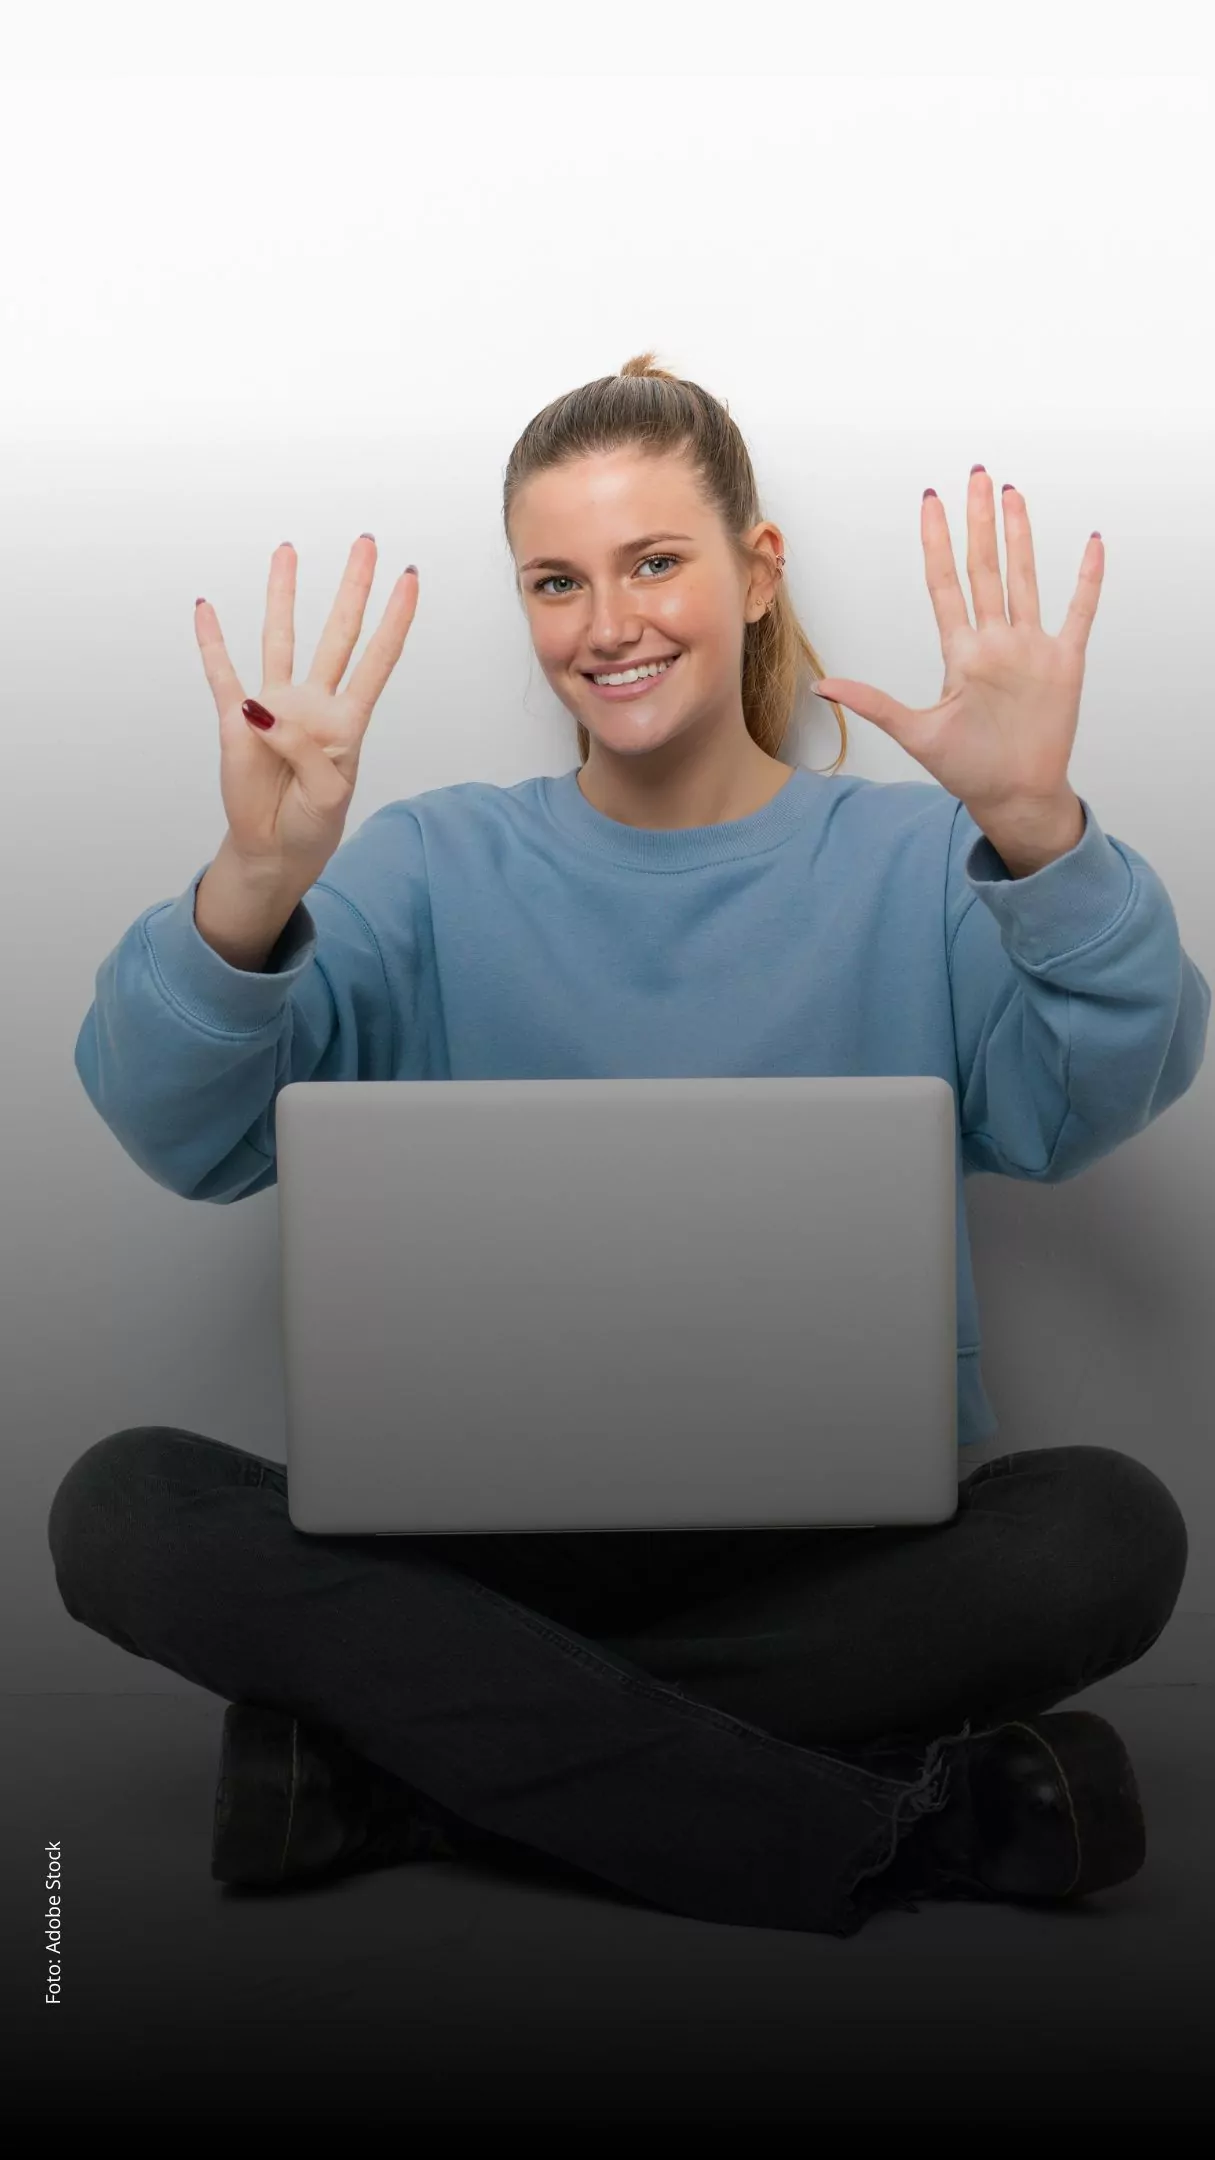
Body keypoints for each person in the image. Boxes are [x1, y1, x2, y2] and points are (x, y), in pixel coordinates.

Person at [48, 354, 1207, 1938]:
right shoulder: (430, 862)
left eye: (653, 561)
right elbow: (175, 1128)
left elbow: (1103, 1089)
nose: (606, 624)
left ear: (756, 570)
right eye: (556, 582)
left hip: (834, 1563)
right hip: (478, 1562)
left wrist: (1038, 828)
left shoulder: (921, 858)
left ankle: (404, 1774)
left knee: (1104, 1532)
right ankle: (903, 1828)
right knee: (122, 1507)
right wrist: (254, 879)